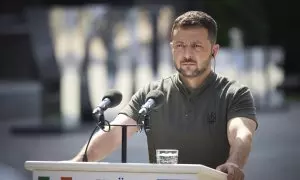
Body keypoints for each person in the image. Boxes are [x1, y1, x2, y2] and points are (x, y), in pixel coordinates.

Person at [71, 10, 258, 180]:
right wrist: (76, 164)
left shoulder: (235, 93)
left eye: (196, 46)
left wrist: (234, 163)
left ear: (214, 51)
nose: (186, 54)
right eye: (180, 45)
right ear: (172, 48)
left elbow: (241, 133)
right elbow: (115, 132)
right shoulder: (152, 94)